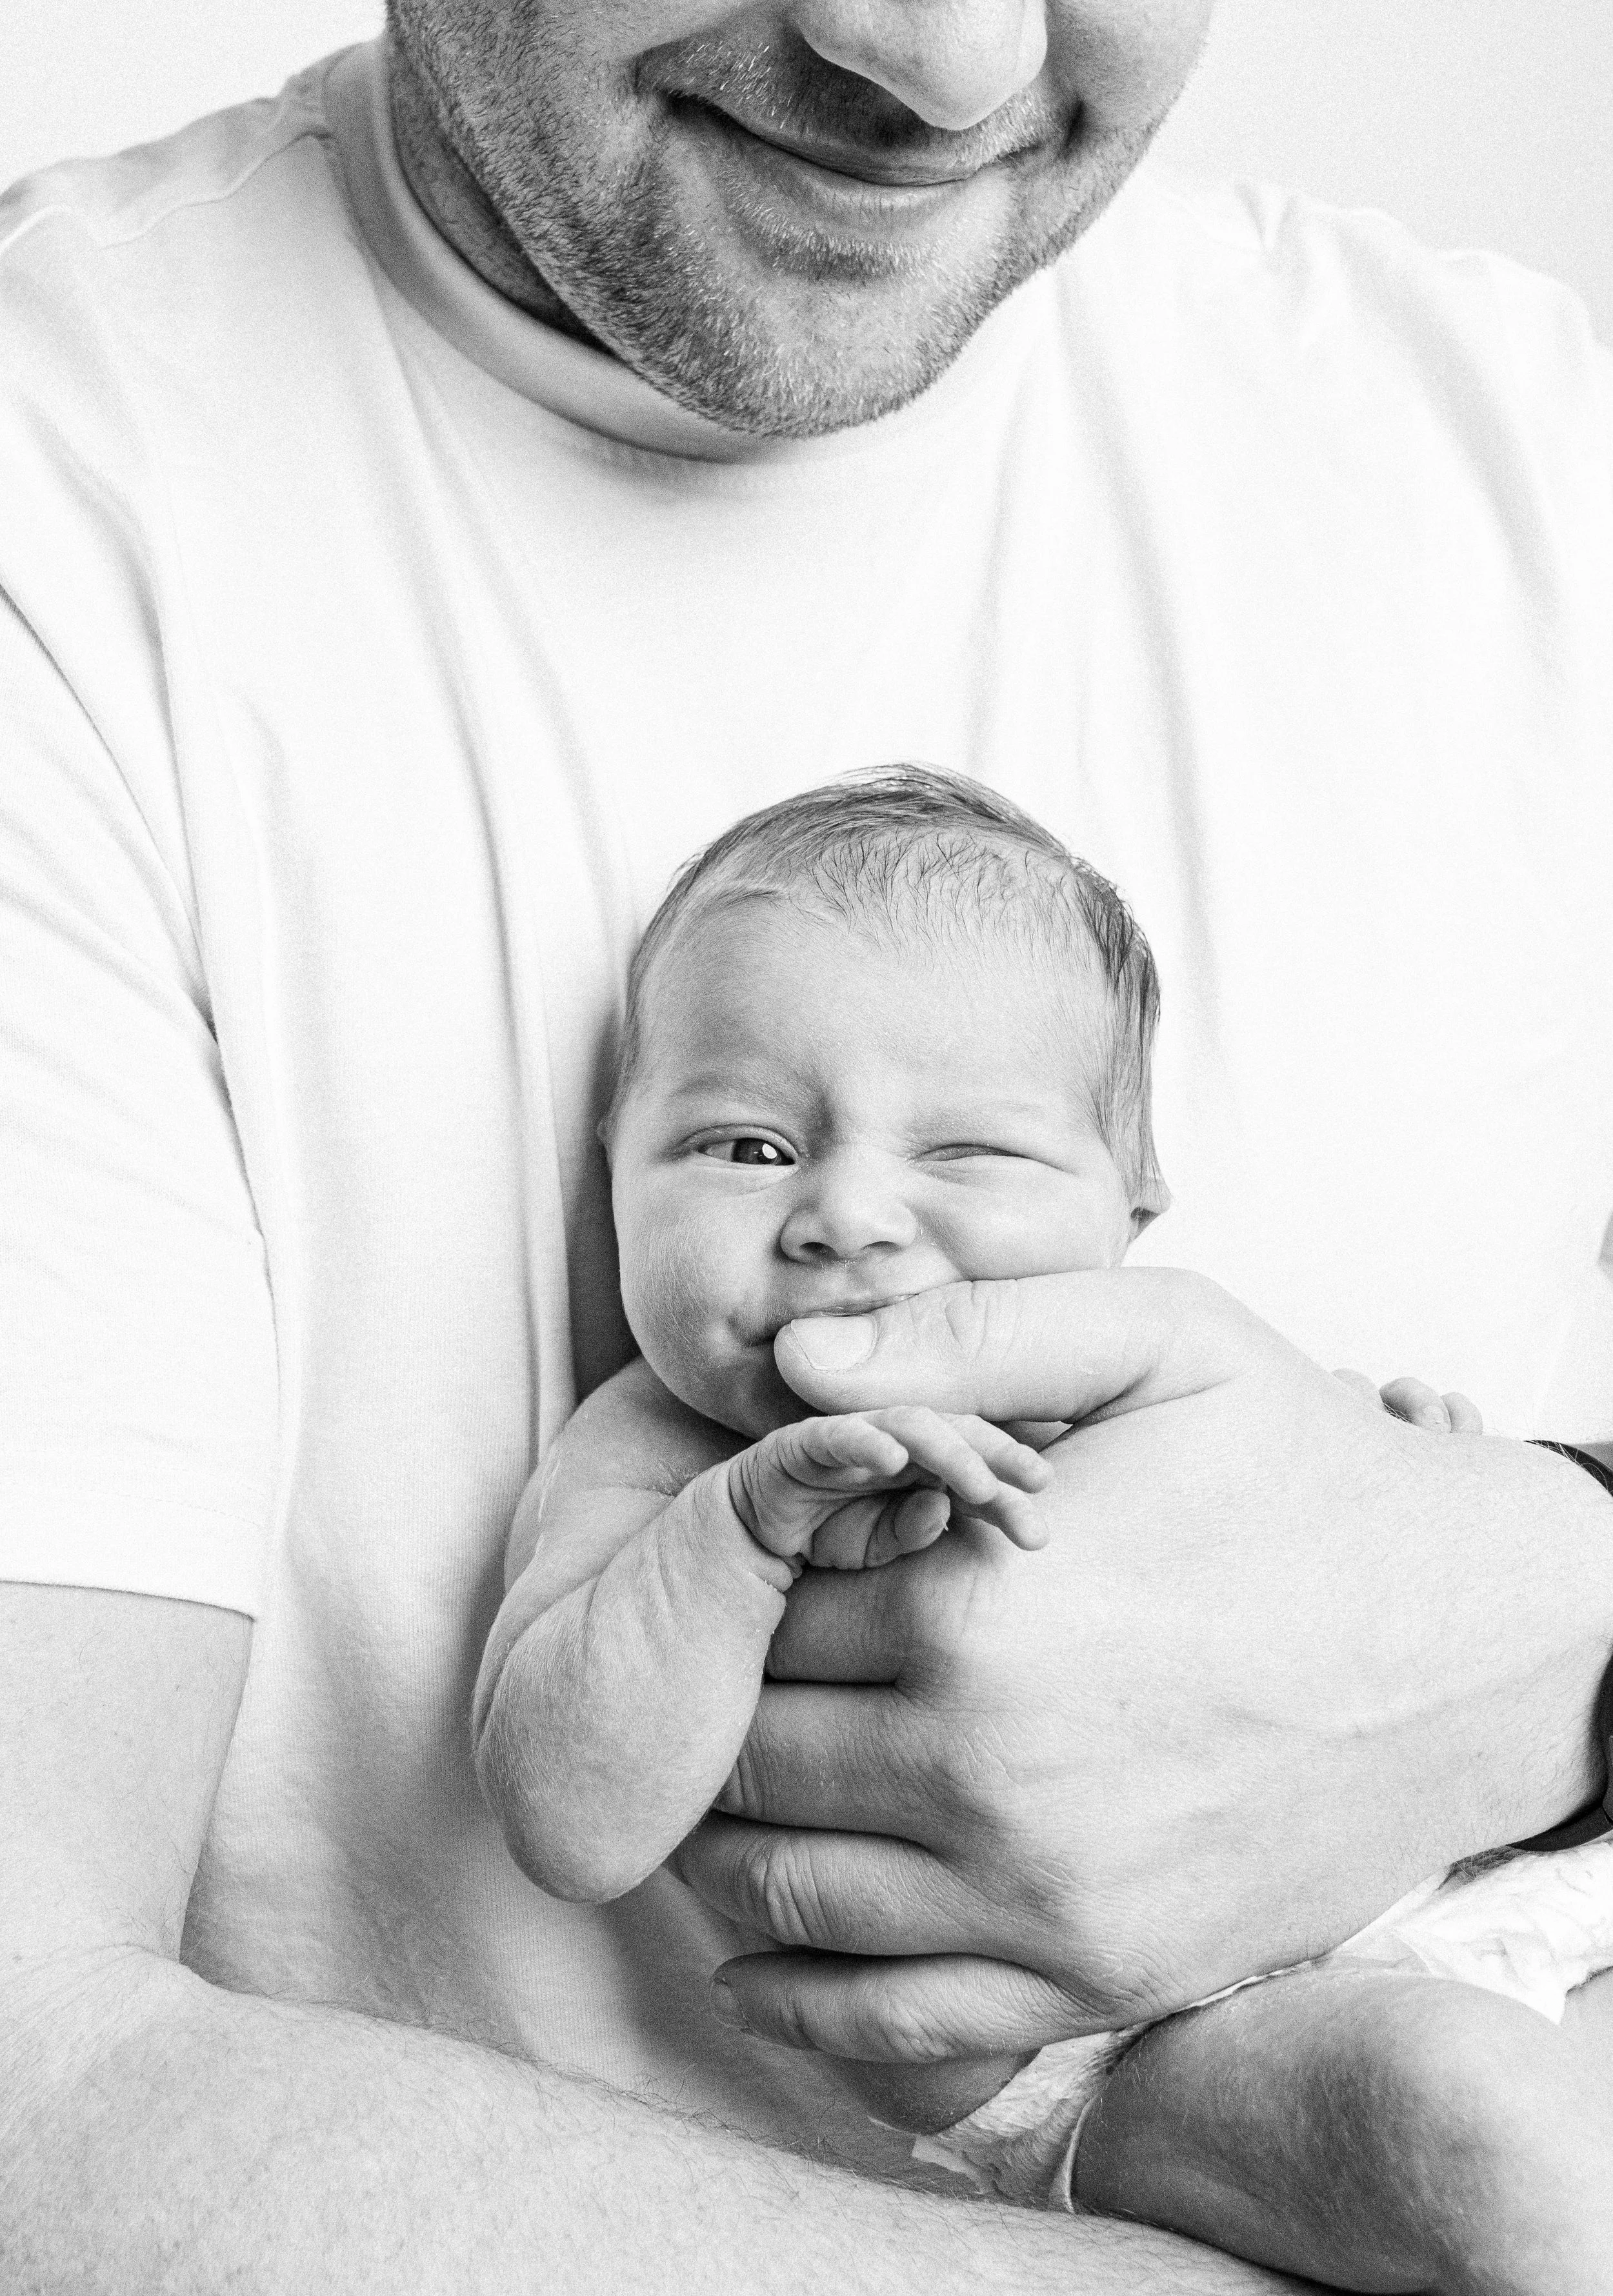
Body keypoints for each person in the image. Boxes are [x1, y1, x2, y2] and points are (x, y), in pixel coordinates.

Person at [3, 0, 1612, 2284]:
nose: (951, 53)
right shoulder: (75, 494)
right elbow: (32, 2089)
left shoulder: (1530, 459)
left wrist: (1538, 1608)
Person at [474, 765, 1613, 2288]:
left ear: (1128, 1199)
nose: (846, 1216)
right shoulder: (653, 1455)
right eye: (744, 1147)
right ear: (610, 1171)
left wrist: (1410, 1478)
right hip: (1153, 2051)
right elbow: (569, 1820)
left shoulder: (1132, 1347)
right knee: (1494, 2145)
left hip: (1480, 1864)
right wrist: (734, 1535)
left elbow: (1354, 1562)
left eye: (964, 1154)